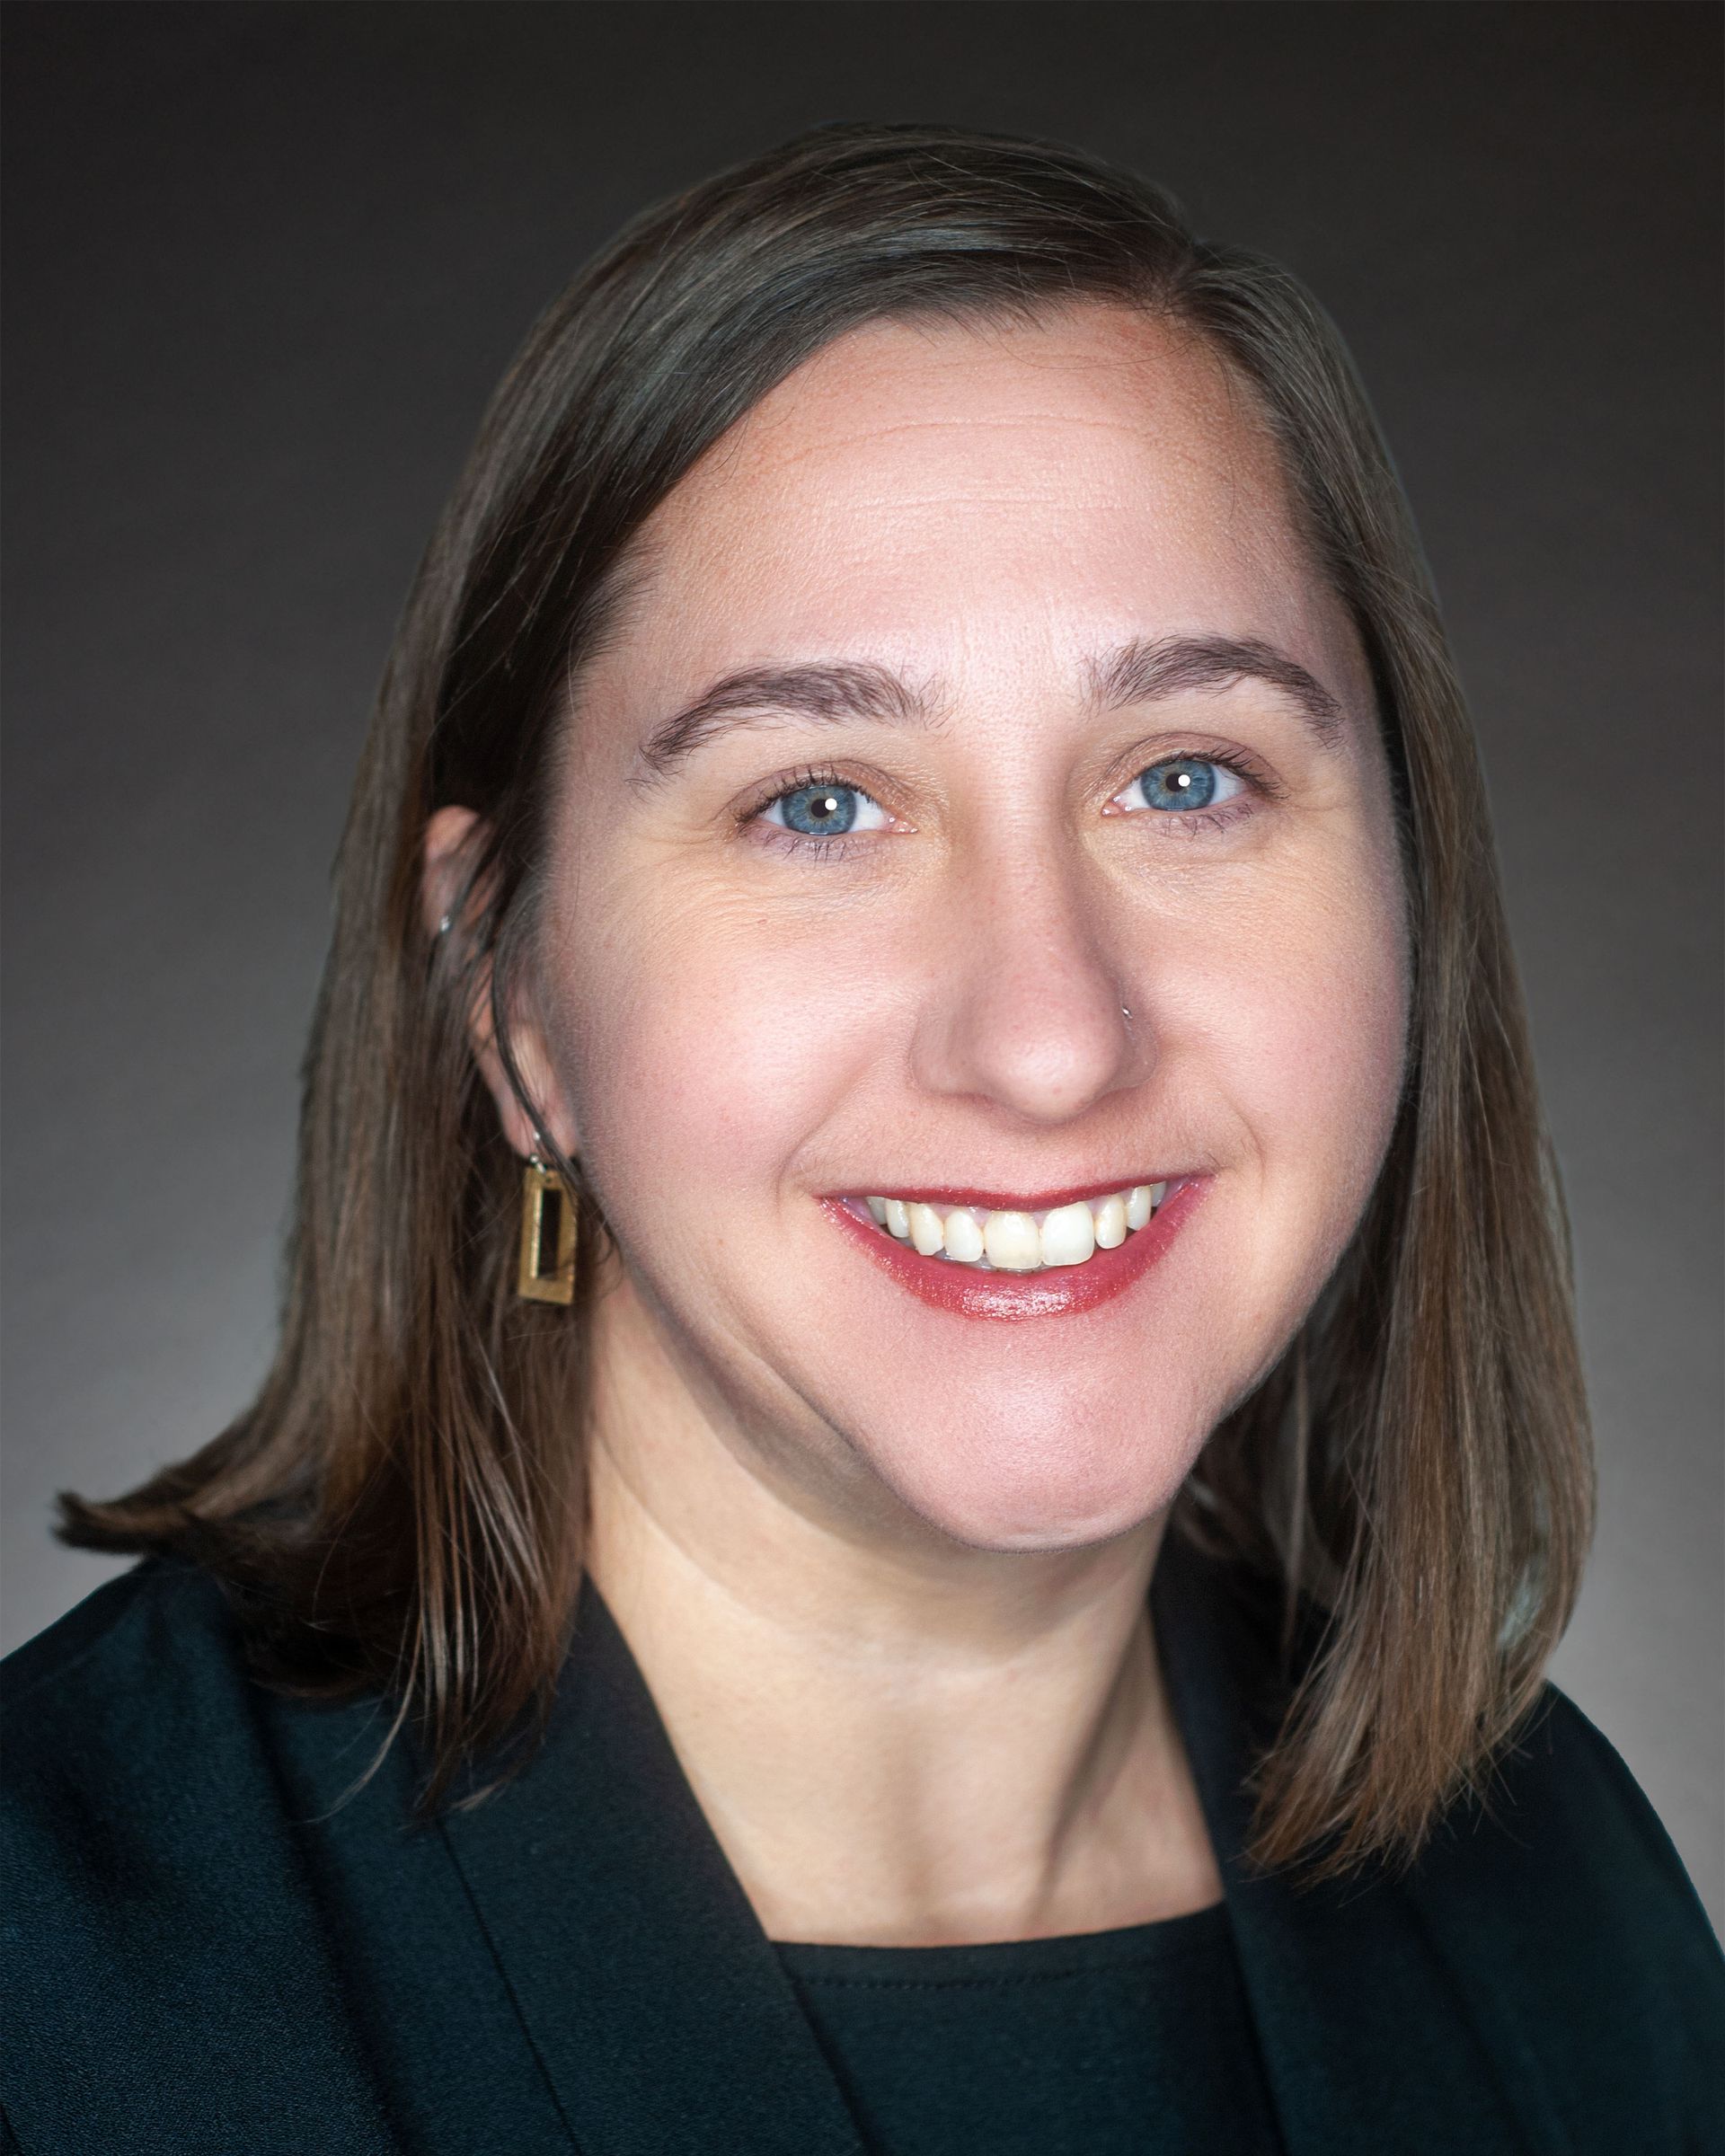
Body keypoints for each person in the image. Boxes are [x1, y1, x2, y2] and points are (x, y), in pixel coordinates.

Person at [3, 121, 1720, 2156]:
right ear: (512, 993)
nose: (1050, 1034)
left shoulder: (1548, 1898)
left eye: (1186, 778)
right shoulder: (58, 1985)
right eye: (818, 803)